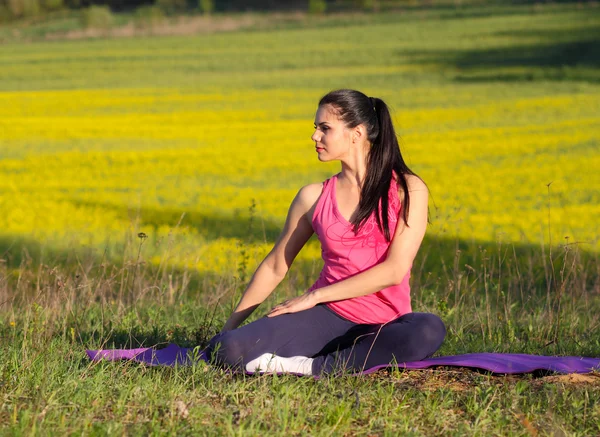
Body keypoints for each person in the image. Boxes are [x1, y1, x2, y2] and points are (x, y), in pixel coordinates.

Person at [205, 89, 446, 376]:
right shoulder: (313, 197)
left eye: (325, 128)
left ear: (356, 134)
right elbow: (275, 265)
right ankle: (335, 363)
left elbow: (394, 270)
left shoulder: (408, 190)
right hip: (326, 316)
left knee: (429, 329)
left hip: (385, 325)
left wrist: (316, 295)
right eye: (315, 128)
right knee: (227, 350)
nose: (315, 136)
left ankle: (311, 366)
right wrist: (226, 330)